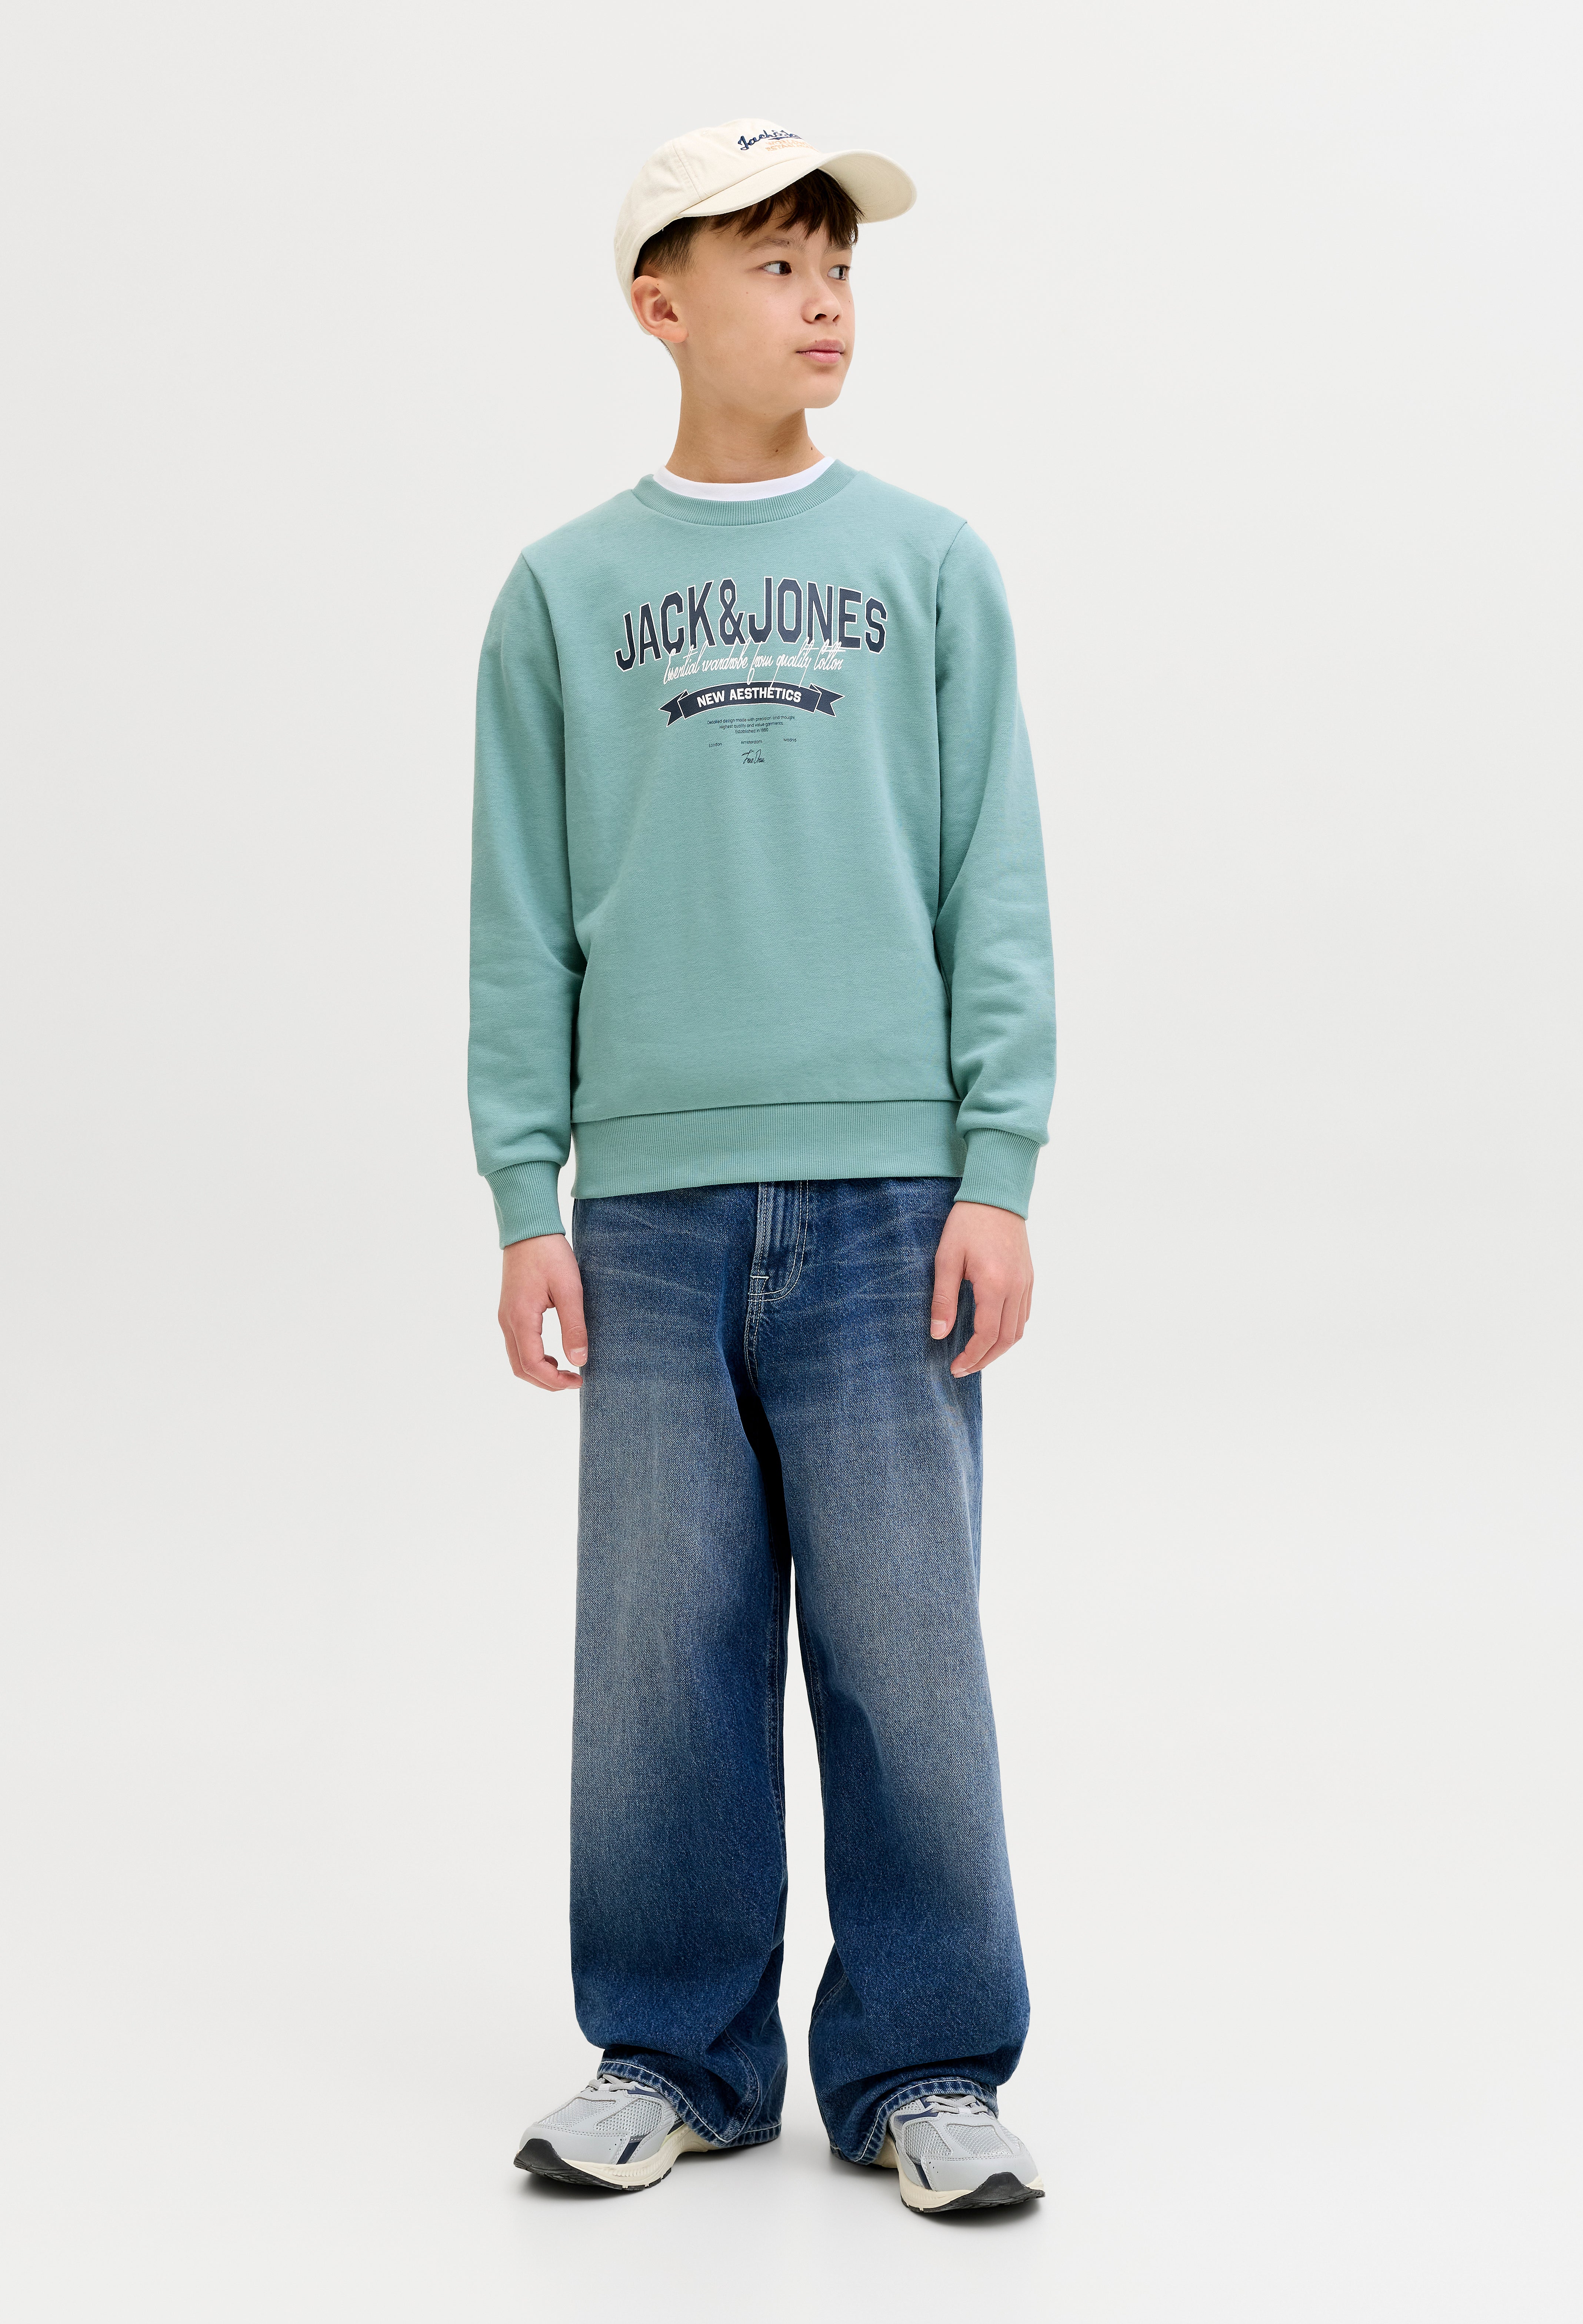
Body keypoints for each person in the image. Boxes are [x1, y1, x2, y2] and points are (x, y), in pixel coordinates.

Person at [469, 117, 1056, 2215]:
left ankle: (924, 2061)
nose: (825, 299)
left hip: (891, 1196)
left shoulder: (930, 564)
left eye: (839, 266)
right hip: (644, 1209)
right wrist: (522, 1192)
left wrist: (999, 1164)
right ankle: (672, 2050)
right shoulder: (564, 592)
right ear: (663, 304)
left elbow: (993, 877)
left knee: (908, 1648)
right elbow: (518, 913)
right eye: (778, 263)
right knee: (659, 1650)